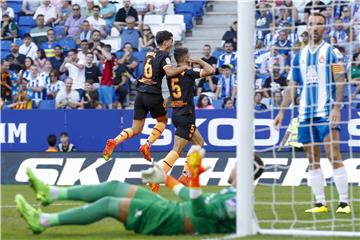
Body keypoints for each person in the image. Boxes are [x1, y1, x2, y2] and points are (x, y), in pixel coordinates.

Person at [15, 146, 264, 236]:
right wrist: (165, 178)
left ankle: (43, 221)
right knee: (114, 187)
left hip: (170, 220)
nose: (233, 166)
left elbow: (199, 209)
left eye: (237, 164)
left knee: (109, 204)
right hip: (174, 210)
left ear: (245, 171)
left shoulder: (237, 203)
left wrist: (196, 178)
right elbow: (193, 199)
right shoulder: (232, 196)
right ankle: (51, 193)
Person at [274, 13, 351, 214]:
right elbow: (292, 86)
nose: (314, 27)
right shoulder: (299, 56)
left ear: (325, 28)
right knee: (312, 158)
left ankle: (343, 202)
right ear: (306, 27)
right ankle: (320, 203)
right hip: (305, 115)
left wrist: (336, 107)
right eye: (311, 24)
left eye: (319, 24)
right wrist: (282, 112)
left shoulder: (333, 52)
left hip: (326, 112)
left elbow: (340, 79)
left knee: (334, 155)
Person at [102, 31, 190, 164]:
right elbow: (170, 72)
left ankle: (114, 141)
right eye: (171, 41)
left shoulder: (149, 53)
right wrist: (184, 67)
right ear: (166, 42)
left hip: (140, 94)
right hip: (153, 94)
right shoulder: (164, 56)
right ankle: (147, 145)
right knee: (162, 121)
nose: (172, 44)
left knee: (136, 129)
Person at [156, 48, 214, 190]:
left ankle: (185, 177)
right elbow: (211, 70)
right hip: (186, 115)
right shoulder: (188, 72)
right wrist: (199, 61)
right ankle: (158, 176)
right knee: (177, 150)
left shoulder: (171, 74)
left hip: (176, 113)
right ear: (186, 57)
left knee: (199, 143)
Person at [97, 44, 115, 109]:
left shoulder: (111, 58)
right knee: (103, 102)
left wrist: (100, 49)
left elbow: (109, 57)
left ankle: (111, 116)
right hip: (103, 83)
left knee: (109, 103)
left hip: (108, 84)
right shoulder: (105, 60)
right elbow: (103, 58)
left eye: (103, 51)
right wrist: (98, 54)